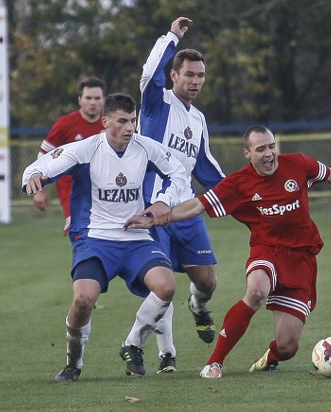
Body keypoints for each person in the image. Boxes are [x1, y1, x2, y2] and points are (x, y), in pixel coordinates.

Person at [124, 125, 331, 379]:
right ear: (247, 154)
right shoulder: (239, 184)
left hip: (302, 258)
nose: (269, 153)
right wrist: (160, 218)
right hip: (266, 250)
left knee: (287, 347)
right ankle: (215, 362)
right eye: (261, 149)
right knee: (257, 290)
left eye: (272, 146)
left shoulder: (299, 164)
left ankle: (268, 360)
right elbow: (197, 205)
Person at [22, 93, 189, 382]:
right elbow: (40, 166)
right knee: (83, 300)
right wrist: (33, 178)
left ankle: (132, 344)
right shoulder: (85, 149)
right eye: (122, 121)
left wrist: (163, 201)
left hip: (137, 239)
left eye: (133, 121)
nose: (129, 128)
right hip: (95, 239)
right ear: (105, 122)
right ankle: (73, 363)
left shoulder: (146, 148)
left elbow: (179, 173)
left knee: (166, 286)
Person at [136, 16, 226, 374]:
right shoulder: (156, 102)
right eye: (189, 74)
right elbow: (150, 70)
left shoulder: (198, 119)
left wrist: (244, 193)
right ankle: (165, 354)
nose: (195, 82)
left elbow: (204, 166)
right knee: (162, 284)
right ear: (174, 75)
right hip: (153, 208)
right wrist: (171, 36)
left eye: (200, 76)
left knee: (206, 280)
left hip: (186, 210)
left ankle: (199, 307)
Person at [32, 77, 107, 236]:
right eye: (88, 98)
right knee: (79, 229)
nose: (92, 102)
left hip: (104, 188)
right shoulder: (65, 124)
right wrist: (39, 189)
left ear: (104, 100)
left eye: (97, 98)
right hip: (71, 188)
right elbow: (44, 155)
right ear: (80, 100)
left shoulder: (110, 124)